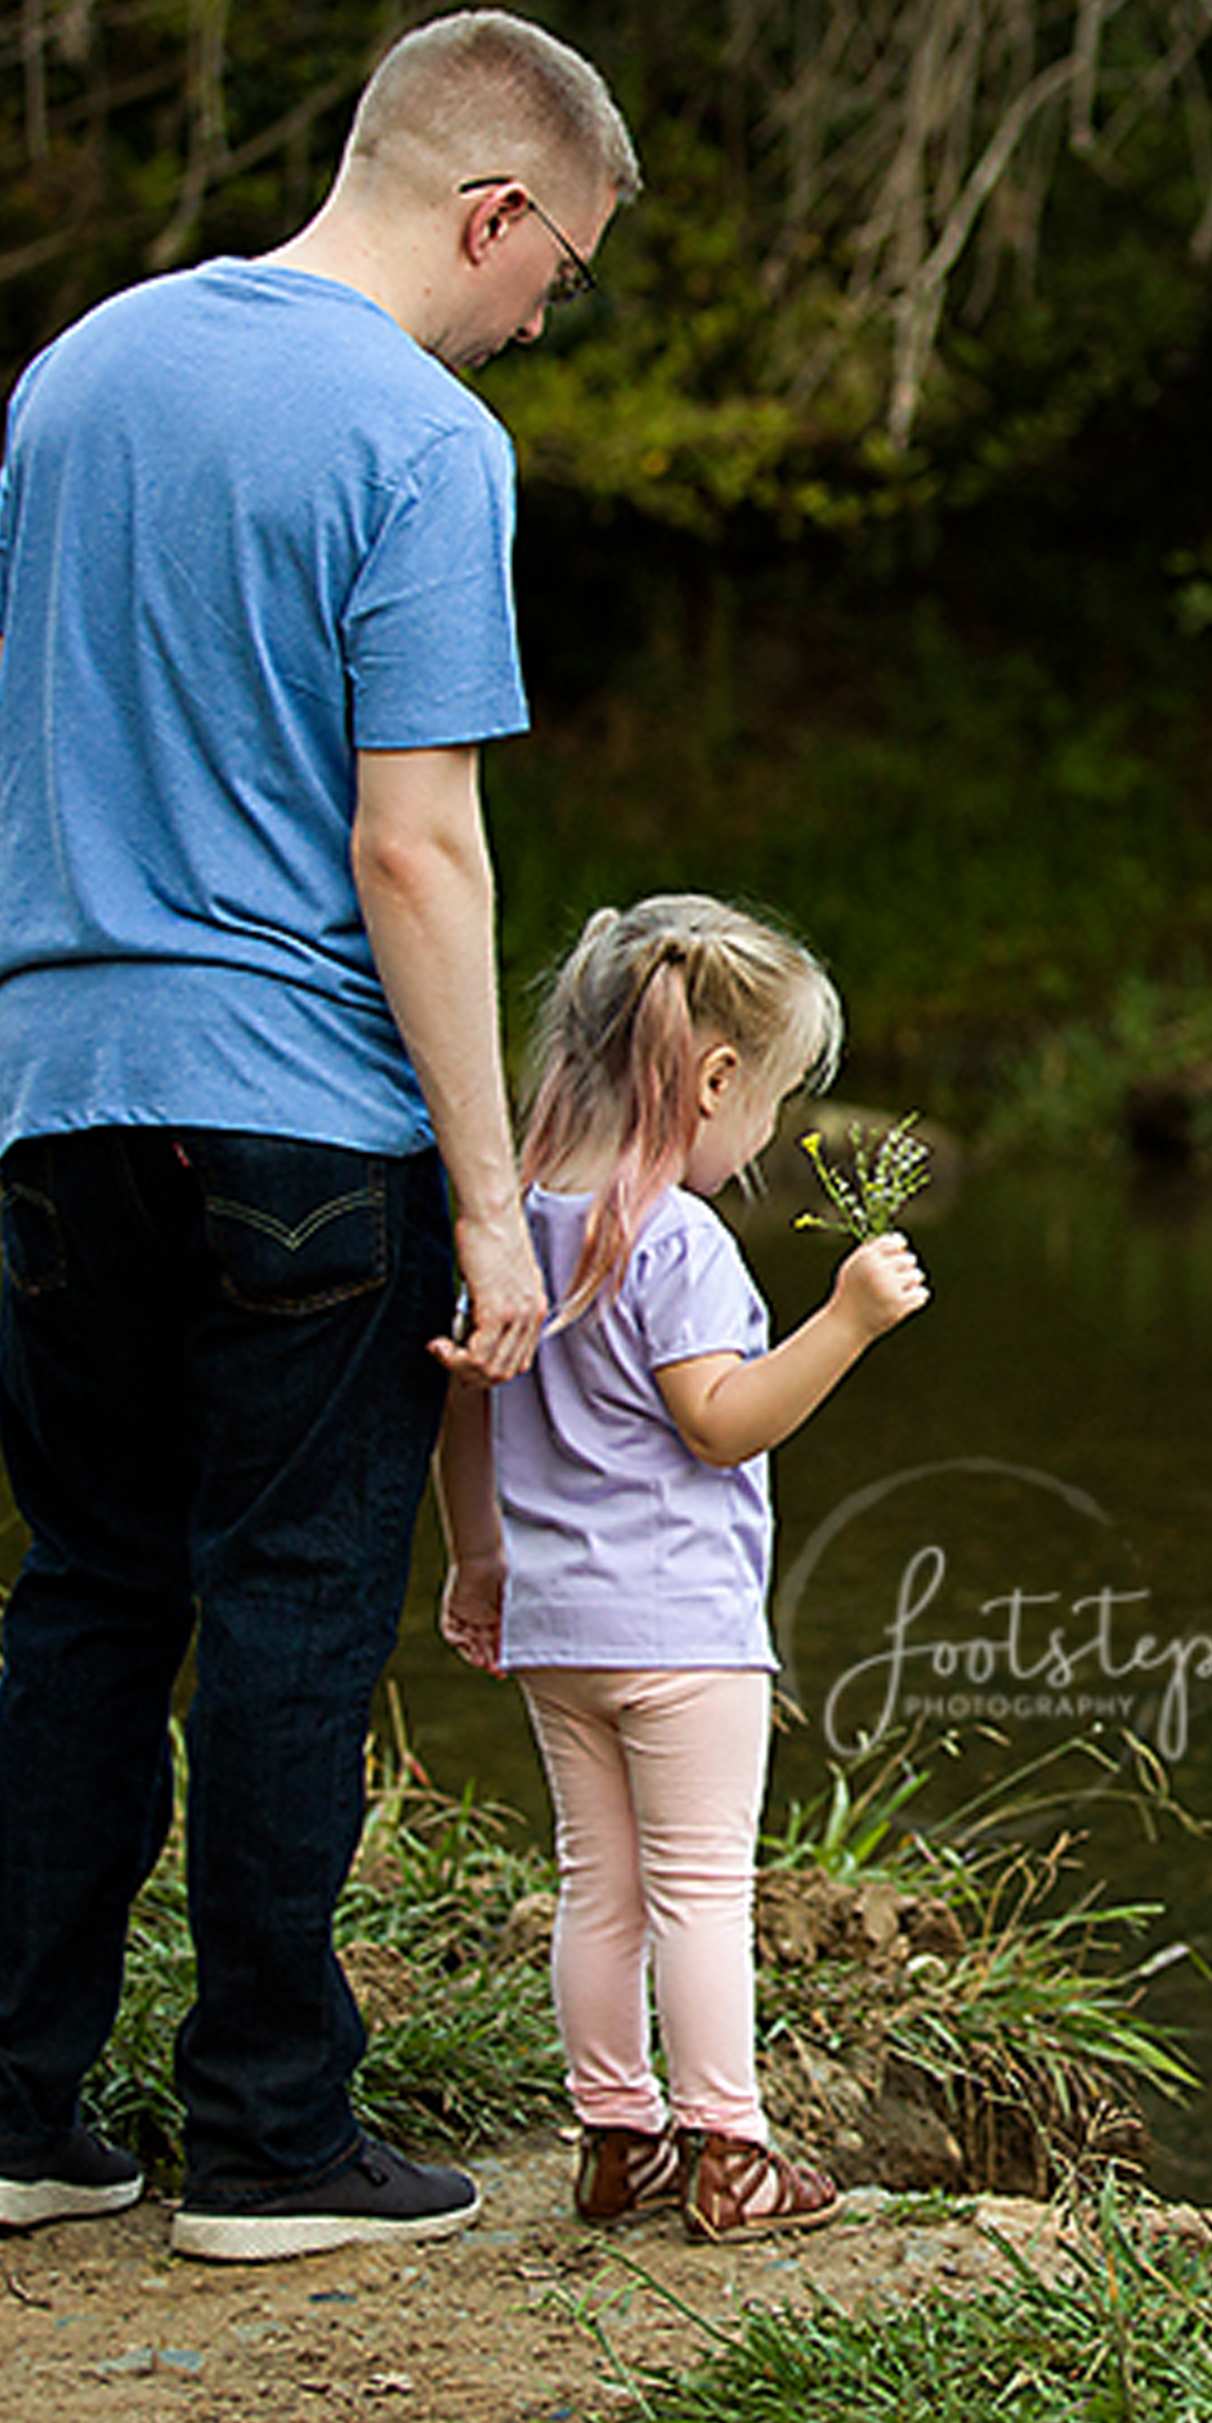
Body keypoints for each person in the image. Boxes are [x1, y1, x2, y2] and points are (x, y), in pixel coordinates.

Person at [0, 7, 636, 2265]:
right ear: (490, 208)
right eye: (564, 271)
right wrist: (487, 1203)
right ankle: (269, 2139)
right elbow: (413, 848)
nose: (546, 318)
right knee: (298, 1601)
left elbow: (8, 732)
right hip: (306, 1119)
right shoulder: (423, 440)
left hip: (66, 1086)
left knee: (93, 1591)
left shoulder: (79, 373)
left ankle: (10, 2111)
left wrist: (45, 1020)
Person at [430, 897, 931, 2244]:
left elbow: (465, 1406)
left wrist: (476, 1557)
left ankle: (616, 2139)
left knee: (599, 1886)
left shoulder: (515, 1223)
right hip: (683, 1635)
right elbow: (722, 1421)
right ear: (713, 1080)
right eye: (769, 1101)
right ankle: (731, 2149)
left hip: (557, 1623)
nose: (767, 1133)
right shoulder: (679, 1242)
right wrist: (848, 1322)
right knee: (702, 1892)